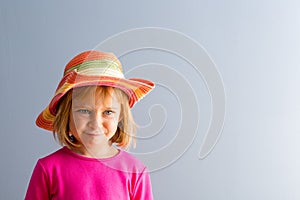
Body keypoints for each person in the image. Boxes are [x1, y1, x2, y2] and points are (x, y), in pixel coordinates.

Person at [25, 50, 155, 200]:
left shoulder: (135, 171)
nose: (95, 123)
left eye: (108, 112)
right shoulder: (48, 169)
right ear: (67, 115)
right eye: (85, 111)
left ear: (120, 116)